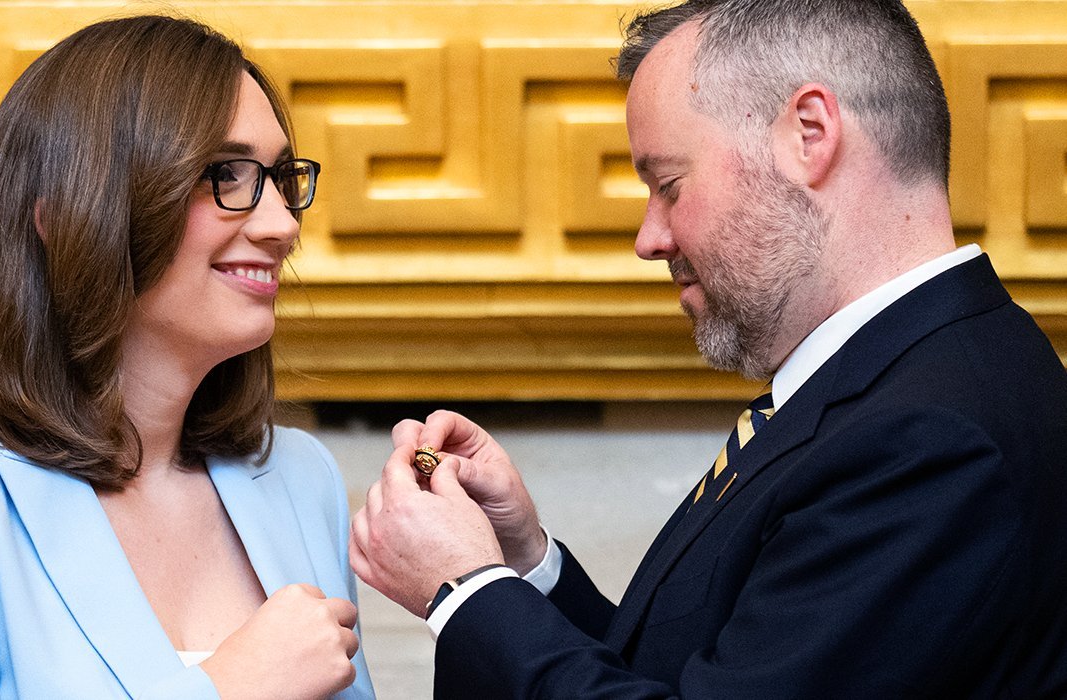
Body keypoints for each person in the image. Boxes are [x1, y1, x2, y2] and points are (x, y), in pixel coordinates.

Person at [350, 0, 1067, 697]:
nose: (648, 238)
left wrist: (466, 592)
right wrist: (523, 564)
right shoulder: (906, 374)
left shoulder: (927, 440)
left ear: (809, 134)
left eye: (667, 184)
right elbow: (707, 670)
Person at [0, 14, 373, 700]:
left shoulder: (297, 475)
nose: (282, 225)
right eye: (227, 175)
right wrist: (231, 689)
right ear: (70, 215)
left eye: (280, 177)